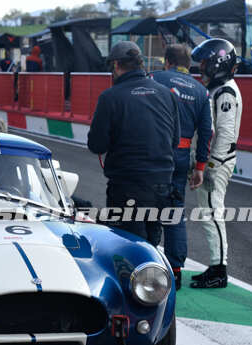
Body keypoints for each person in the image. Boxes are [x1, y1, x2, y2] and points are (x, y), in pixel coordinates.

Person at [87, 41, 180, 246]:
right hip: (162, 184)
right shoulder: (166, 94)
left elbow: (96, 145)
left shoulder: (110, 97)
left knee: (127, 247)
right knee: (151, 247)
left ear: (116, 65)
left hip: (127, 186)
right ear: (140, 63)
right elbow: (175, 141)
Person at [150, 44, 212, 290]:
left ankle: (148, 262)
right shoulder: (201, 91)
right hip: (182, 155)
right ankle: (175, 271)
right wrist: (200, 167)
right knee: (175, 211)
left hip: (155, 151)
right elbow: (206, 132)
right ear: (188, 64)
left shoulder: (155, 78)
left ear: (167, 61)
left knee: (147, 206)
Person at [189, 39, 242, 289]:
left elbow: (226, 134)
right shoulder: (220, 89)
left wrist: (210, 167)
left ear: (217, 64)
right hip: (215, 160)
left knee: (212, 212)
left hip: (217, 162)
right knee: (209, 212)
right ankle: (216, 266)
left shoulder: (225, 92)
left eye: (204, 63)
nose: (201, 67)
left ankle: (219, 270)